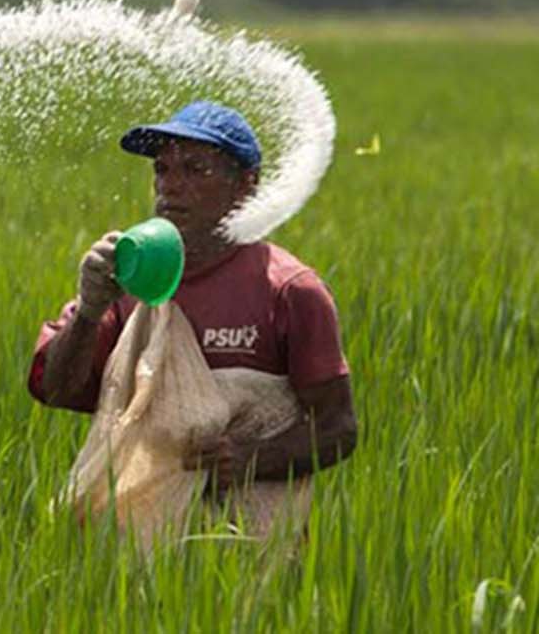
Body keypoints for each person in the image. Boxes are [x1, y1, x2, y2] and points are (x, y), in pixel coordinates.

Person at [30, 101, 357, 503]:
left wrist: (249, 458)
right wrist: (89, 311)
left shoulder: (290, 291)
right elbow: (58, 390)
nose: (170, 185)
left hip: (251, 544)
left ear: (245, 186)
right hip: (134, 538)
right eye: (162, 169)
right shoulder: (128, 280)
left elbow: (337, 428)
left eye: (195, 169)